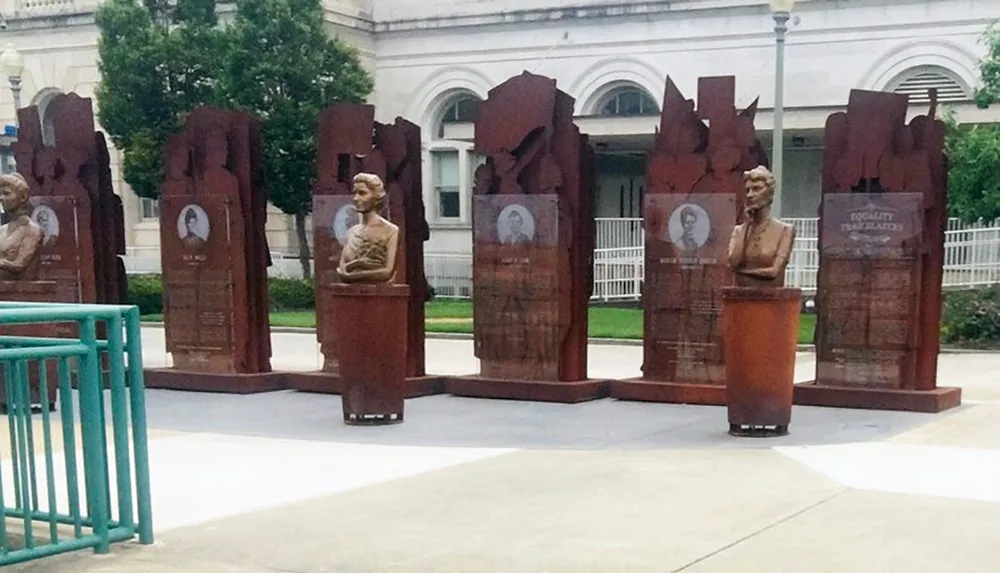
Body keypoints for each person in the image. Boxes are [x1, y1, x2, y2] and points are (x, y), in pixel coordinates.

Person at [728, 165, 796, 287]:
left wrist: (741, 272)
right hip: (741, 300)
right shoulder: (739, 231)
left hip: (771, 300)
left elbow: (774, 272)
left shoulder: (785, 230)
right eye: (747, 190)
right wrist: (746, 225)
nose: (750, 195)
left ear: (769, 193)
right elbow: (734, 263)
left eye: (756, 189)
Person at [337, 173, 399, 283]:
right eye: (355, 193)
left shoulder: (391, 230)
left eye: (362, 193)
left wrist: (352, 274)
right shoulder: (352, 232)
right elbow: (341, 270)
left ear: (376, 197)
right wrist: (358, 263)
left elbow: (387, 272)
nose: (356, 198)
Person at [0, 173, 43, 280]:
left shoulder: (33, 230)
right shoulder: (1, 230)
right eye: (0, 194)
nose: (1, 198)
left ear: (23, 197)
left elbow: (19, 264)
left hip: (23, 291)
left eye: (6, 194)